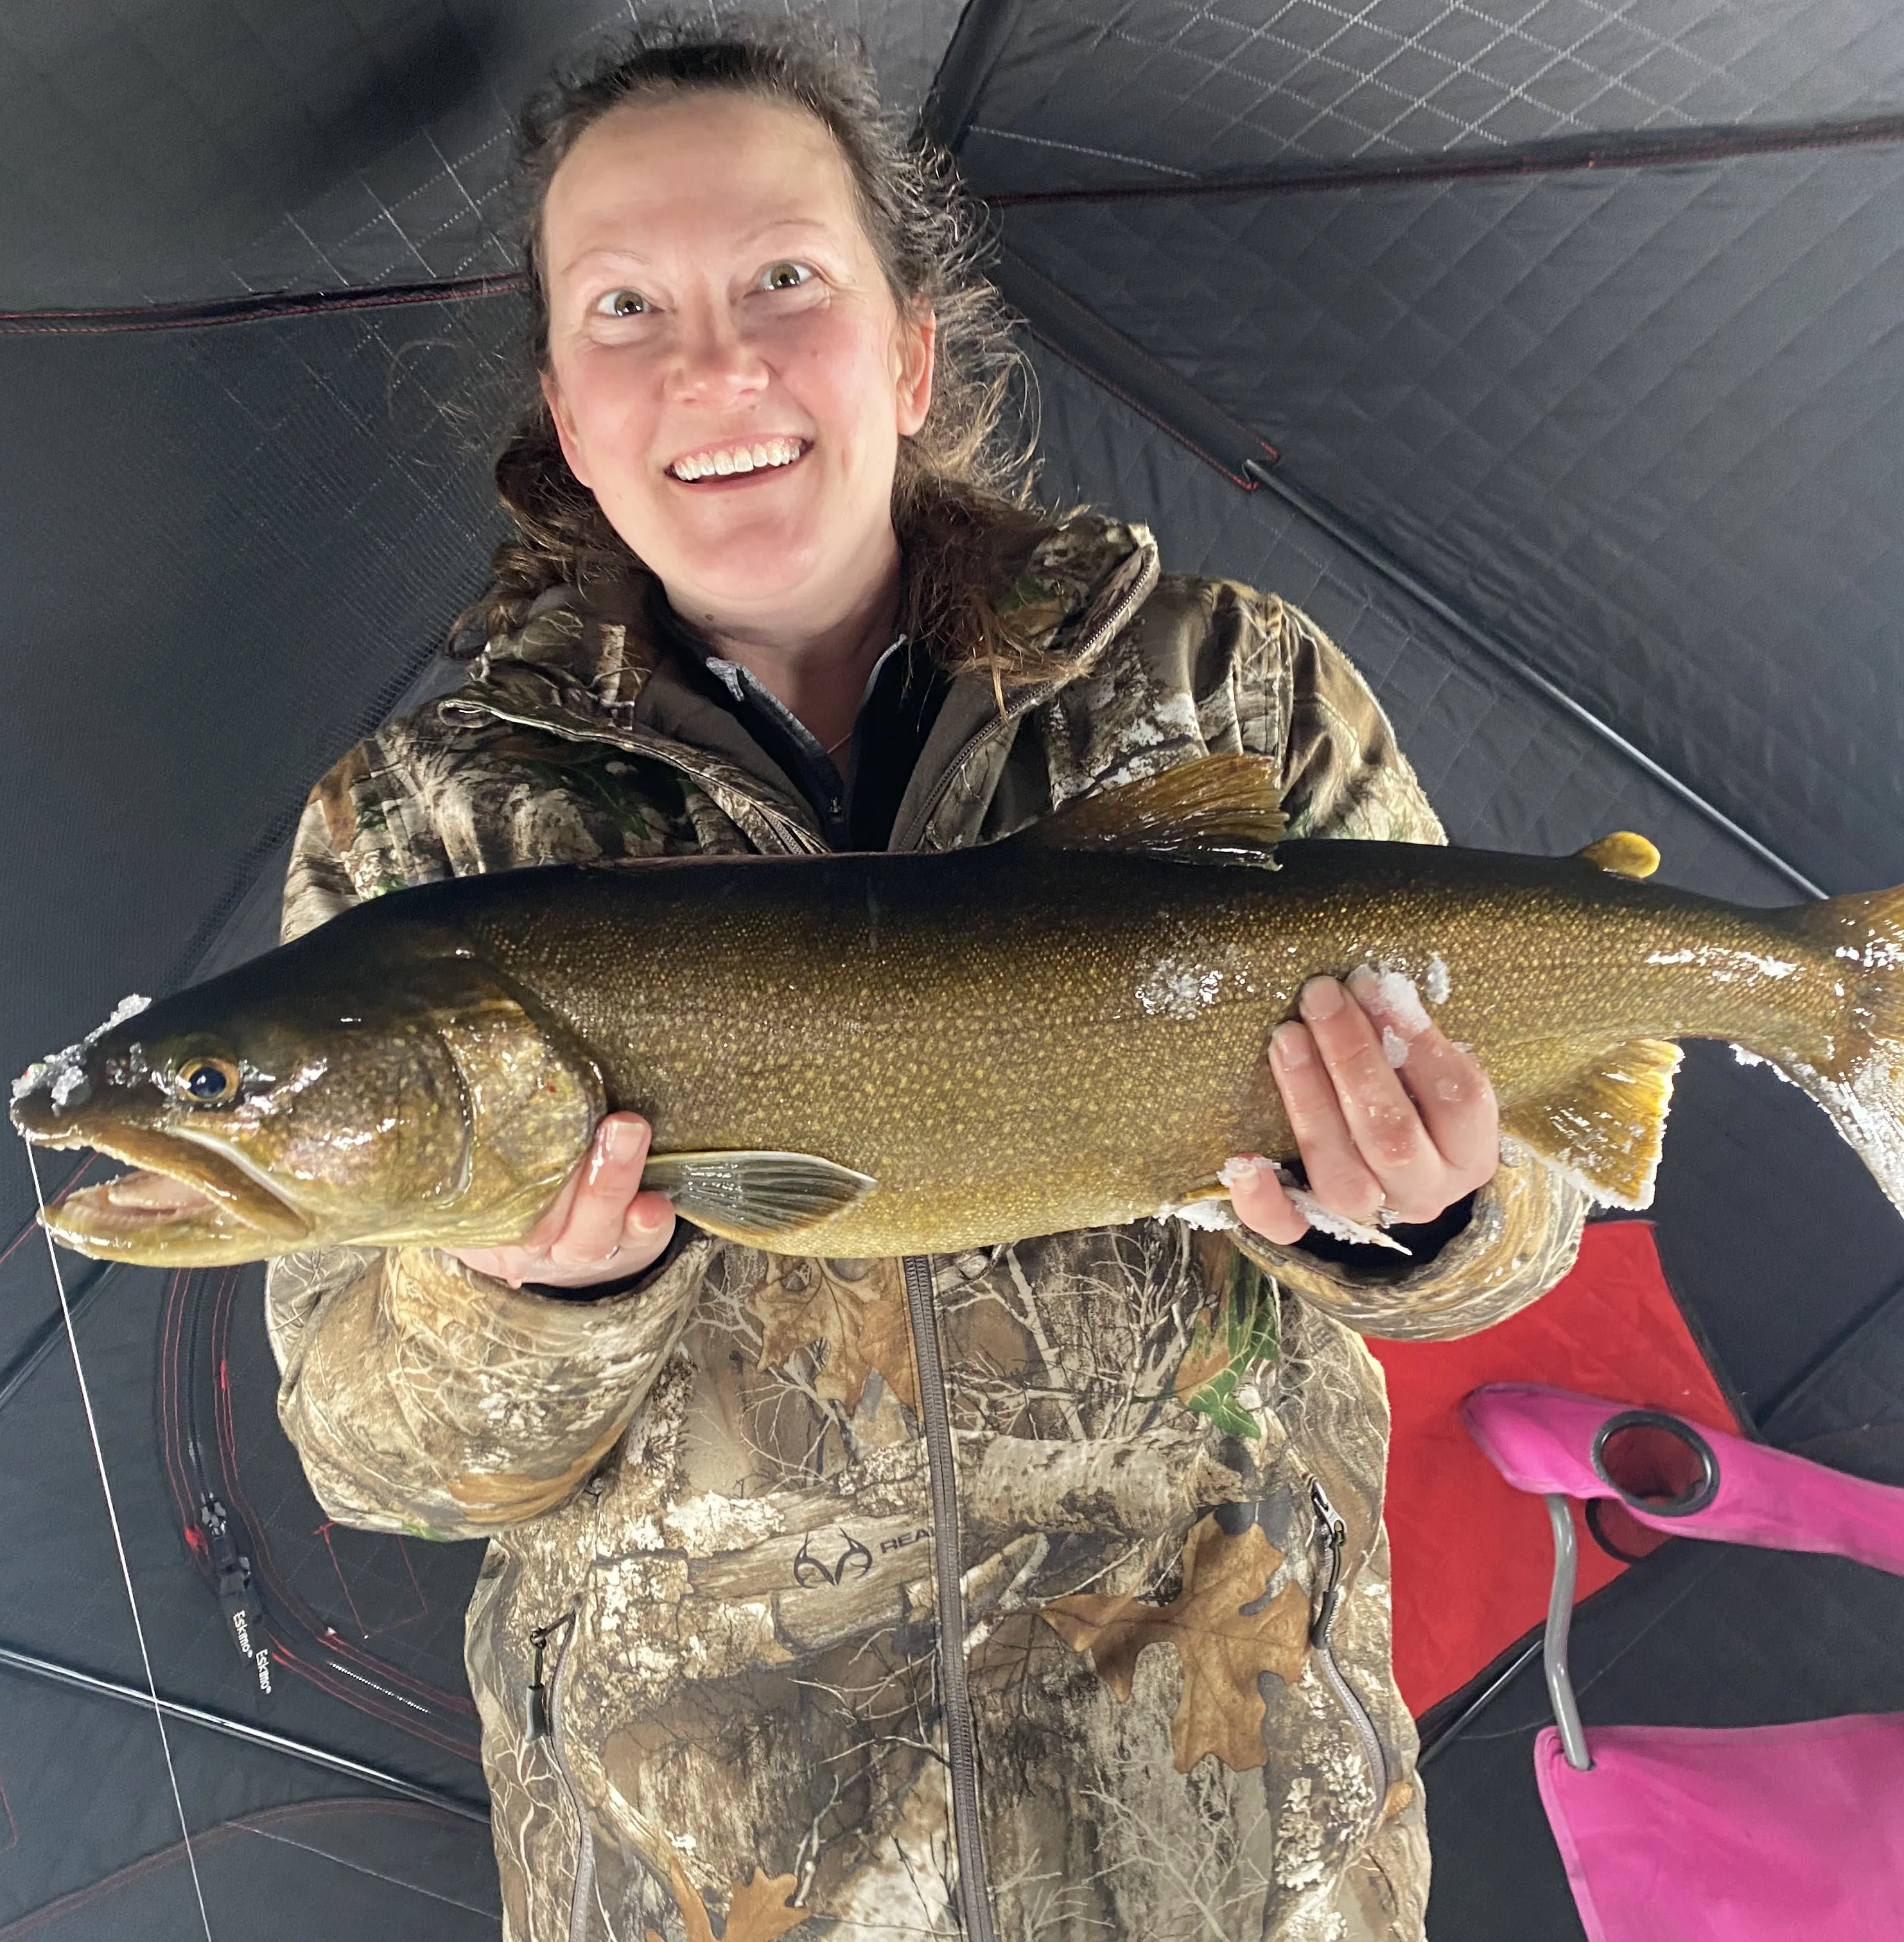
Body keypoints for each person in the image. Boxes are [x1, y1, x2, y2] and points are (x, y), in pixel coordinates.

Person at [266, 21, 1590, 1941]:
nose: (715, 364)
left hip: (1239, 1861)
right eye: (626, 305)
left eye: (783, 279)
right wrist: (528, 1305)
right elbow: (376, 1457)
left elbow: (1525, 1216)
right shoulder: (424, 837)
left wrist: (1435, 1210)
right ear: (562, 403)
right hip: (711, 1892)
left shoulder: (1239, 687)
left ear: (906, 347)